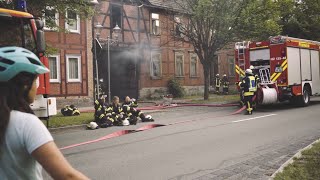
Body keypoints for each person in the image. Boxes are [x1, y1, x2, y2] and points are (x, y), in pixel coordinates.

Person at [0, 47, 88, 179]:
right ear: (25, 85)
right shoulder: (25, 123)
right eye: (35, 81)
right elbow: (68, 176)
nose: (36, 86)